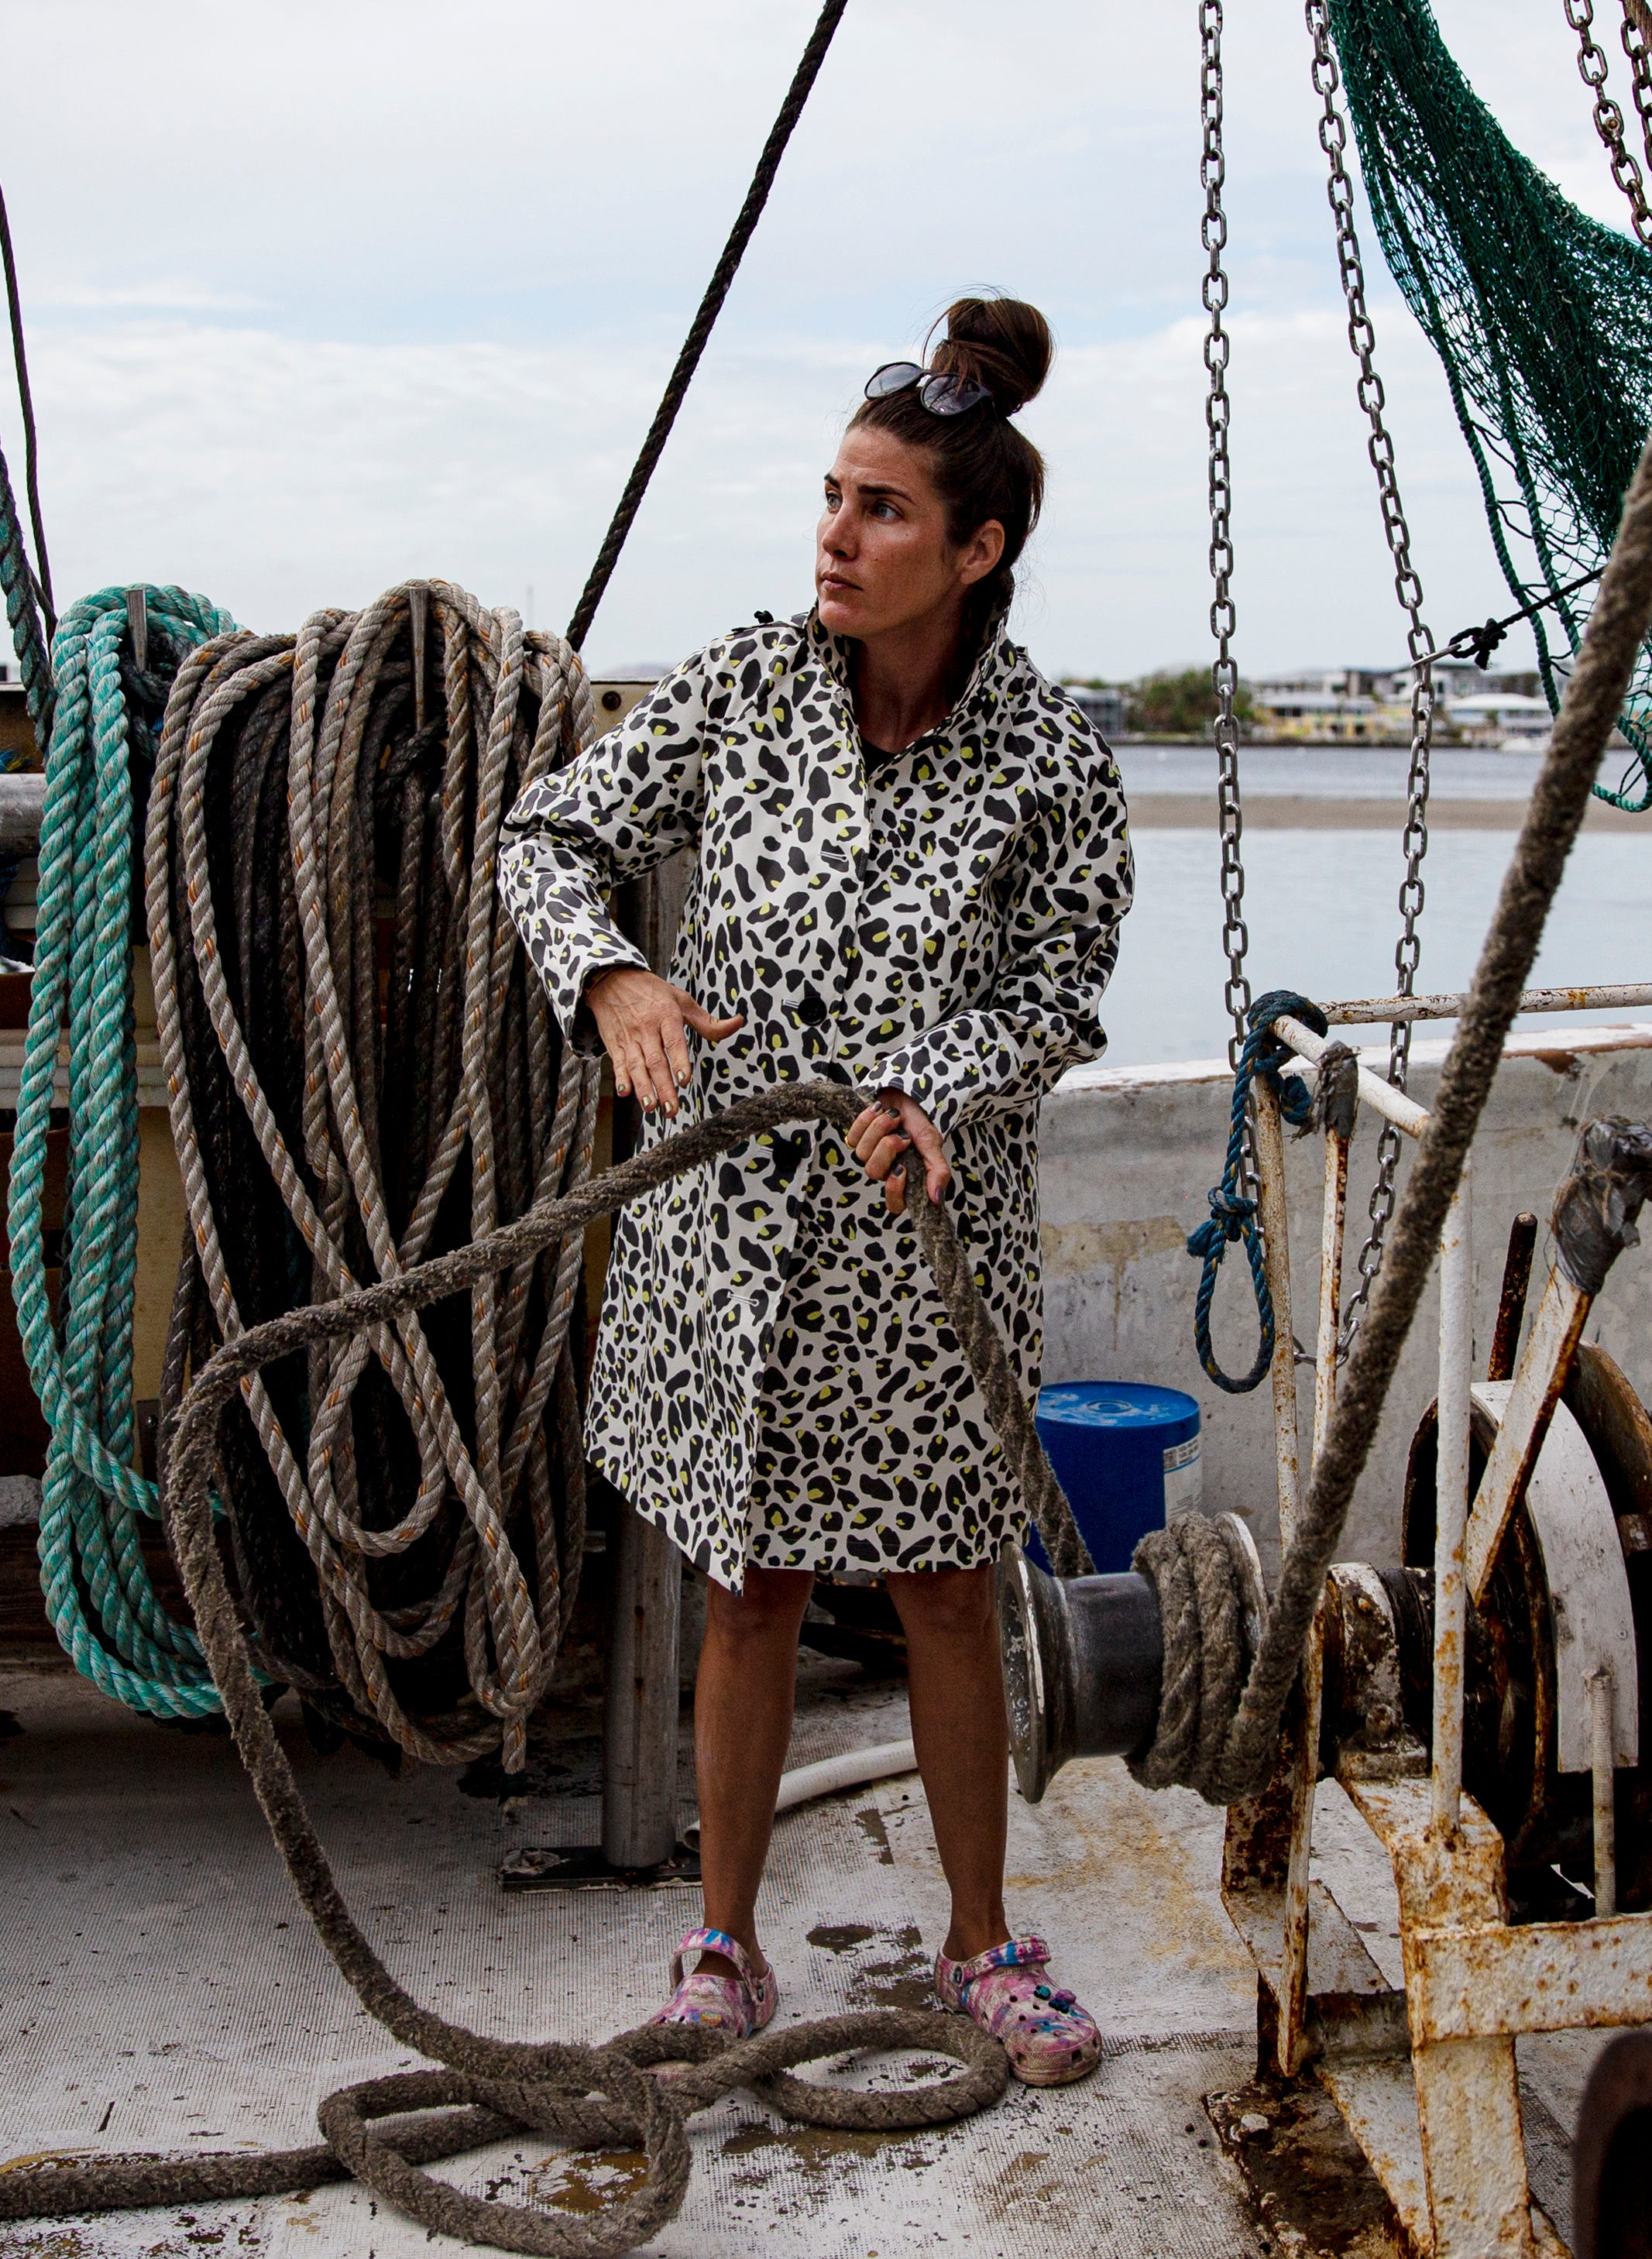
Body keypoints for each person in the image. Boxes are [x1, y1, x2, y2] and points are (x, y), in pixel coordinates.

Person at [496, 294, 1132, 2088]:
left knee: (946, 1584)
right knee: (747, 1587)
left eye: (883, 511)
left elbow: (1063, 988)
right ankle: (724, 1950)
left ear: (977, 546)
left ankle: (981, 1943)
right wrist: (615, 975)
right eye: (832, 498)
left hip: (927, 1244)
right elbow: (543, 837)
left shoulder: (1053, 761)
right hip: (727, 1239)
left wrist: (945, 1082)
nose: (836, 539)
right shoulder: (742, 682)